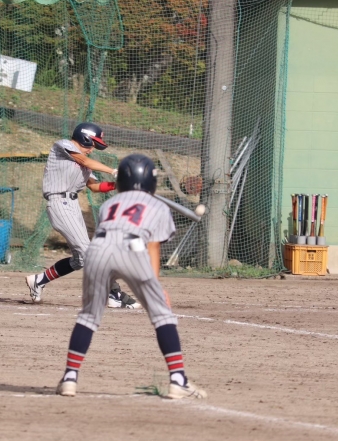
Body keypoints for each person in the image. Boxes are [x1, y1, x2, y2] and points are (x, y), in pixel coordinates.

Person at [55, 154, 206, 399]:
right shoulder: (158, 206)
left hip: (98, 251)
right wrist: (156, 286)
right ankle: (178, 380)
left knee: (88, 317)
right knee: (162, 315)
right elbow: (152, 247)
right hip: (133, 248)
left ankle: (70, 378)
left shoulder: (109, 205)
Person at [25, 122, 141, 309]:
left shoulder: (85, 163)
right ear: (84, 137)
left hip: (72, 205)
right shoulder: (63, 145)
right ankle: (113, 293)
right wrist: (114, 171)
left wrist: (118, 184)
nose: (92, 149)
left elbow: (95, 186)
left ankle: (39, 280)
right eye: (92, 144)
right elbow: (85, 161)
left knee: (79, 259)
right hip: (58, 203)